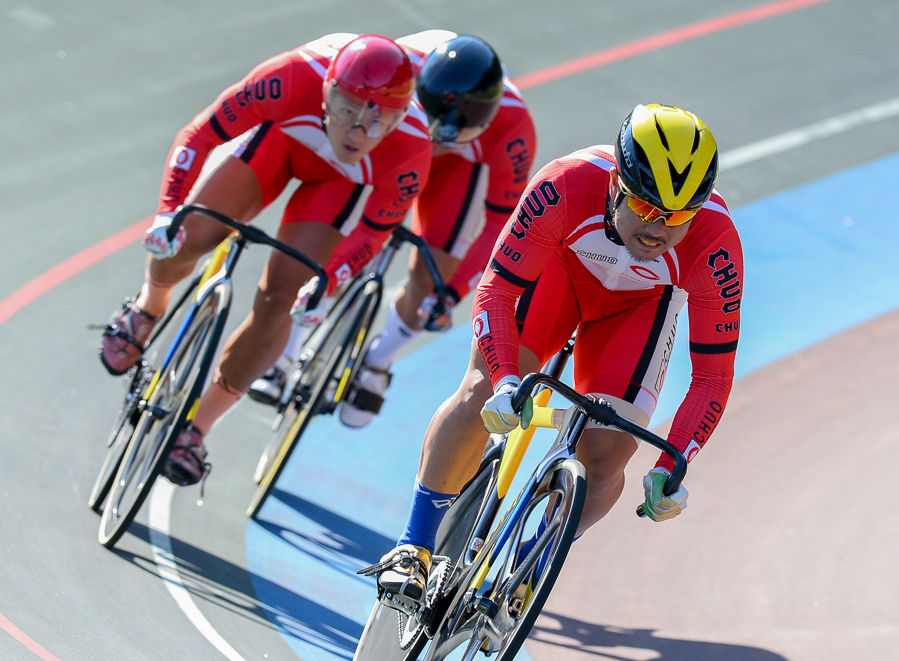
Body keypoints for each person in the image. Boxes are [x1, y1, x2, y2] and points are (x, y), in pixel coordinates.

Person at [374, 103, 744, 605]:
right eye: (649, 208)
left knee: (608, 452)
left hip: (639, 309)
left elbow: (711, 379)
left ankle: (532, 562)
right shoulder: (566, 185)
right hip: (558, 276)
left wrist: (671, 464)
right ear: (617, 183)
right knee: (482, 389)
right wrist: (505, 379)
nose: (661, 229)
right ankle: (413, 546)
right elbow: (496, 293)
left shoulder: (716, 245)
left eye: (680, 216)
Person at [97, 33, 433, 486]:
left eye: (379, 122)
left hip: (334, 187)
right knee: (188, 236)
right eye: (347, 110)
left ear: (400, 119)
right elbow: (199, 134)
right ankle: (148, 307)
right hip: (280, 143)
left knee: (281, 302)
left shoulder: (411, 149)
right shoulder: (291, 77)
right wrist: (167, 211)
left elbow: (374, 231)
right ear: (327, 90)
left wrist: (326, 283)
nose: (357, 132)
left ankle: (196, 430)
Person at [247, 30, 537, 430]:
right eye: (426, 123)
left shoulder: (512, 130)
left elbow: (498, 228)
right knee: (338, 235)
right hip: (387, 144)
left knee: (433, 283)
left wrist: (450, 293)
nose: (432, 140)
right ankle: (284, 355)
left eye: (447, 135)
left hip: (458, 170)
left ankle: (378, 361)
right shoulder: (396, 69)